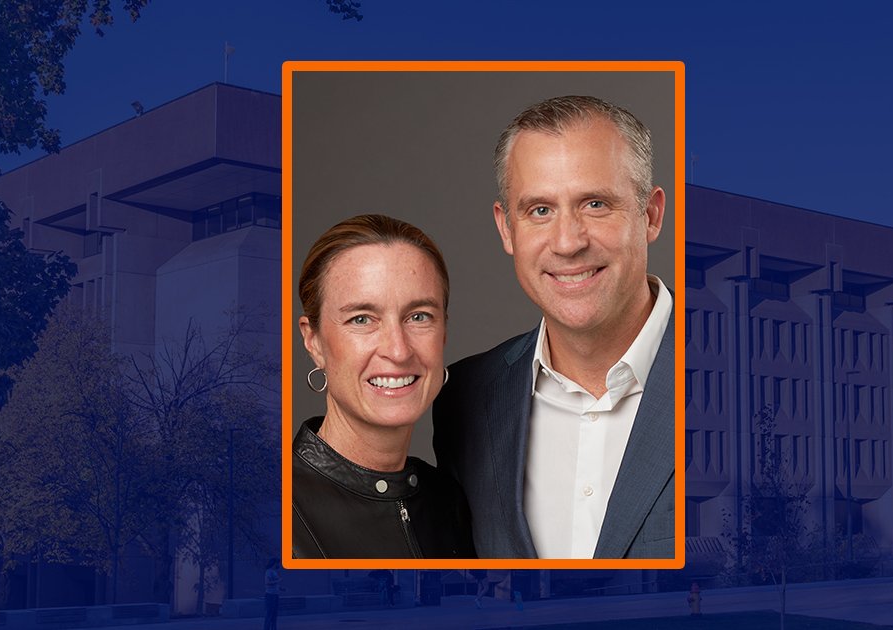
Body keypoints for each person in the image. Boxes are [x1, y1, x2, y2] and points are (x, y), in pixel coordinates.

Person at [434, 95, 675, 559]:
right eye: (540, 210)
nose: (567, 242)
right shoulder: (464, 401)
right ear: (507, 229)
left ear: (651, 215)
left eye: (596, 203)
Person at [293, 214, 475, 559]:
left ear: (444, 333)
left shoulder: (452, 502)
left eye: (419, 316)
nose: (398, 350)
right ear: (314, 341)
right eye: (362, 319)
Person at [262, 558, 280, 630]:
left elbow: (275, 583)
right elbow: (267, 583)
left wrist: (280, 588)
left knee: (274, 614)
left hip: (275, 595)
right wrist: (278, 580)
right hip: (270, 595)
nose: (278, 565)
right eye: (277, 563)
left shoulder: (274, 571)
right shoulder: (268, 572)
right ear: (274, 563)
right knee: (269, 614)